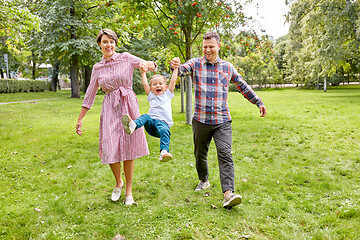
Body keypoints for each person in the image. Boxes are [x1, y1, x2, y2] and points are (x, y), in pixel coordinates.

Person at [170, 32, 267, 209]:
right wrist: (175, 65)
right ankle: (203, 180)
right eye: (205, 47)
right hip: (200, 120)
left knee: (225, 154)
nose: (207, 50)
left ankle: (228, 194)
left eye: (211, 46)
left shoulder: (228, 67)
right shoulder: (196, 64)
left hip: (222, 120)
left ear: (218, 46)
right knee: (200, 155)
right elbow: (182, 69)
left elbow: (242, 85)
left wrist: (258, 101)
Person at [76, 28, 157, 205]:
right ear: (99, 44)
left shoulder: (126, 58)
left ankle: (128, 192)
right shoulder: (97, 68)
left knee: (128, 147)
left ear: (115, 43)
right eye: (105, 42)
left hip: (128, 104)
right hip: (110, 107)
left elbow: (150, 65)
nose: (109, 45)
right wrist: (80, 118)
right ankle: (118, 181)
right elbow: (90, 94)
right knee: (110, 147)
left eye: (112, 41)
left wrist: (147, 66)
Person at [122, 64, 178, 162]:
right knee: (145, 116)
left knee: (165, 130)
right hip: (151, 124)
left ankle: (164, 152)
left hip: (162, 125)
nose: (158, 86)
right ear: (151, 87)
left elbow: (173, 81)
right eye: (155, 84)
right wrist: (143, 73)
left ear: (165, 87)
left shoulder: (168, 94)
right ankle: (133, 125)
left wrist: (176, 69)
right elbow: (145, 84)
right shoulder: (151, 95)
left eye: (160, 83)